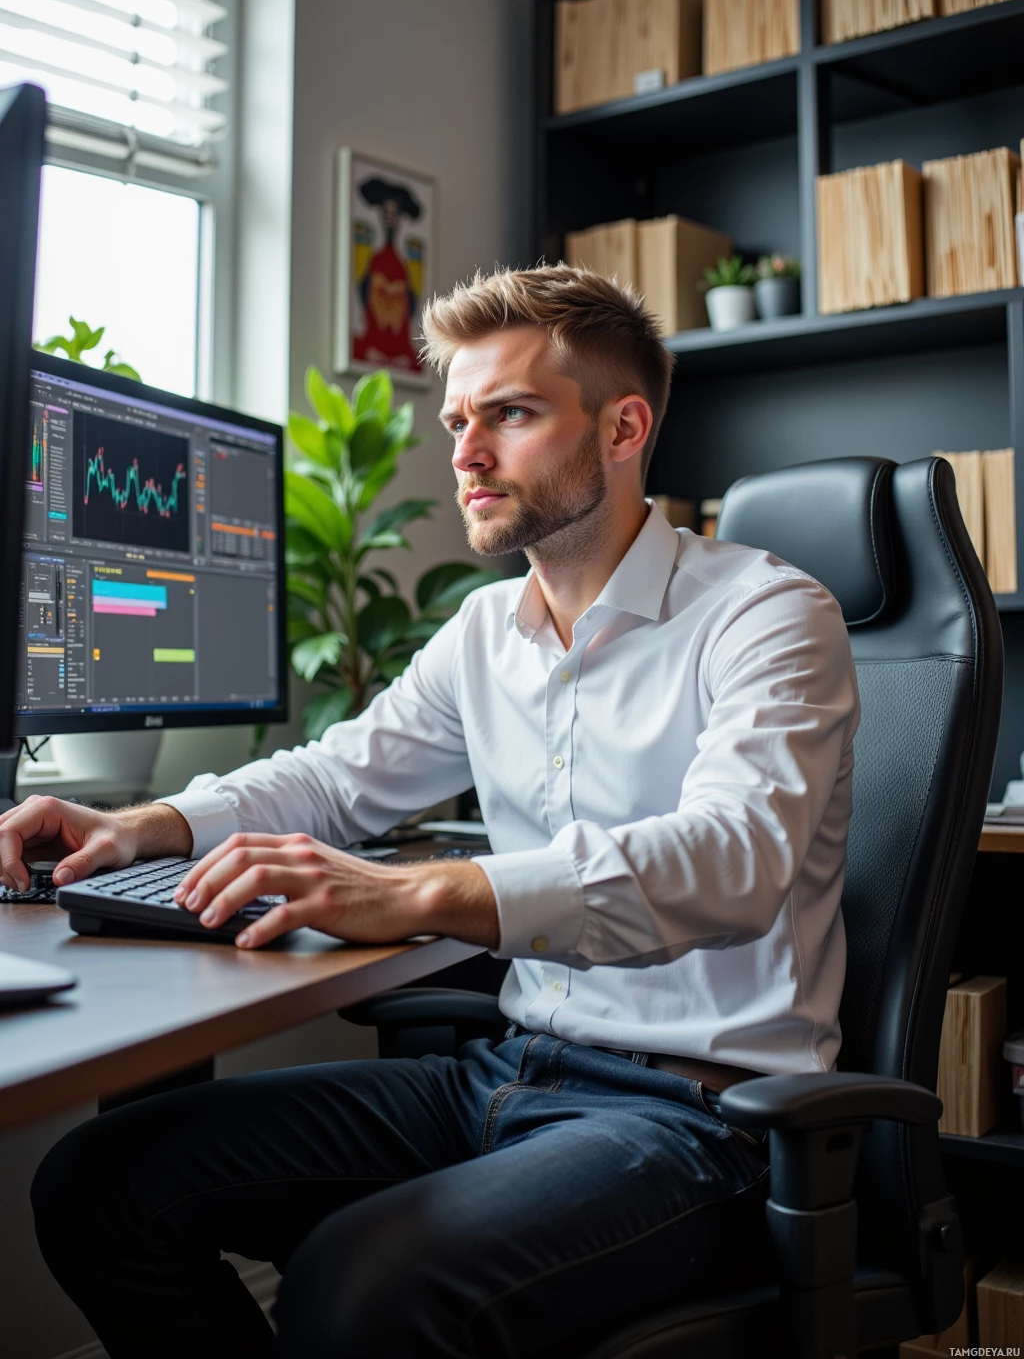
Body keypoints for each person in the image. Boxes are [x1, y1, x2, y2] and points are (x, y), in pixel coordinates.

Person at [5, 265, 859, 1359]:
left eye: (508, 414)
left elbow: (734, 857)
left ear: (622, 427)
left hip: (702, 1116)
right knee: (97, 1186)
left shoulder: (765, 612)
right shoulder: (484, 631)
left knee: (352, 1289)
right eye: (458, 420)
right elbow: (338, 775)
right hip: (511, 1073)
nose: (463, 452)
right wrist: (145, 826)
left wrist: (426, 891)